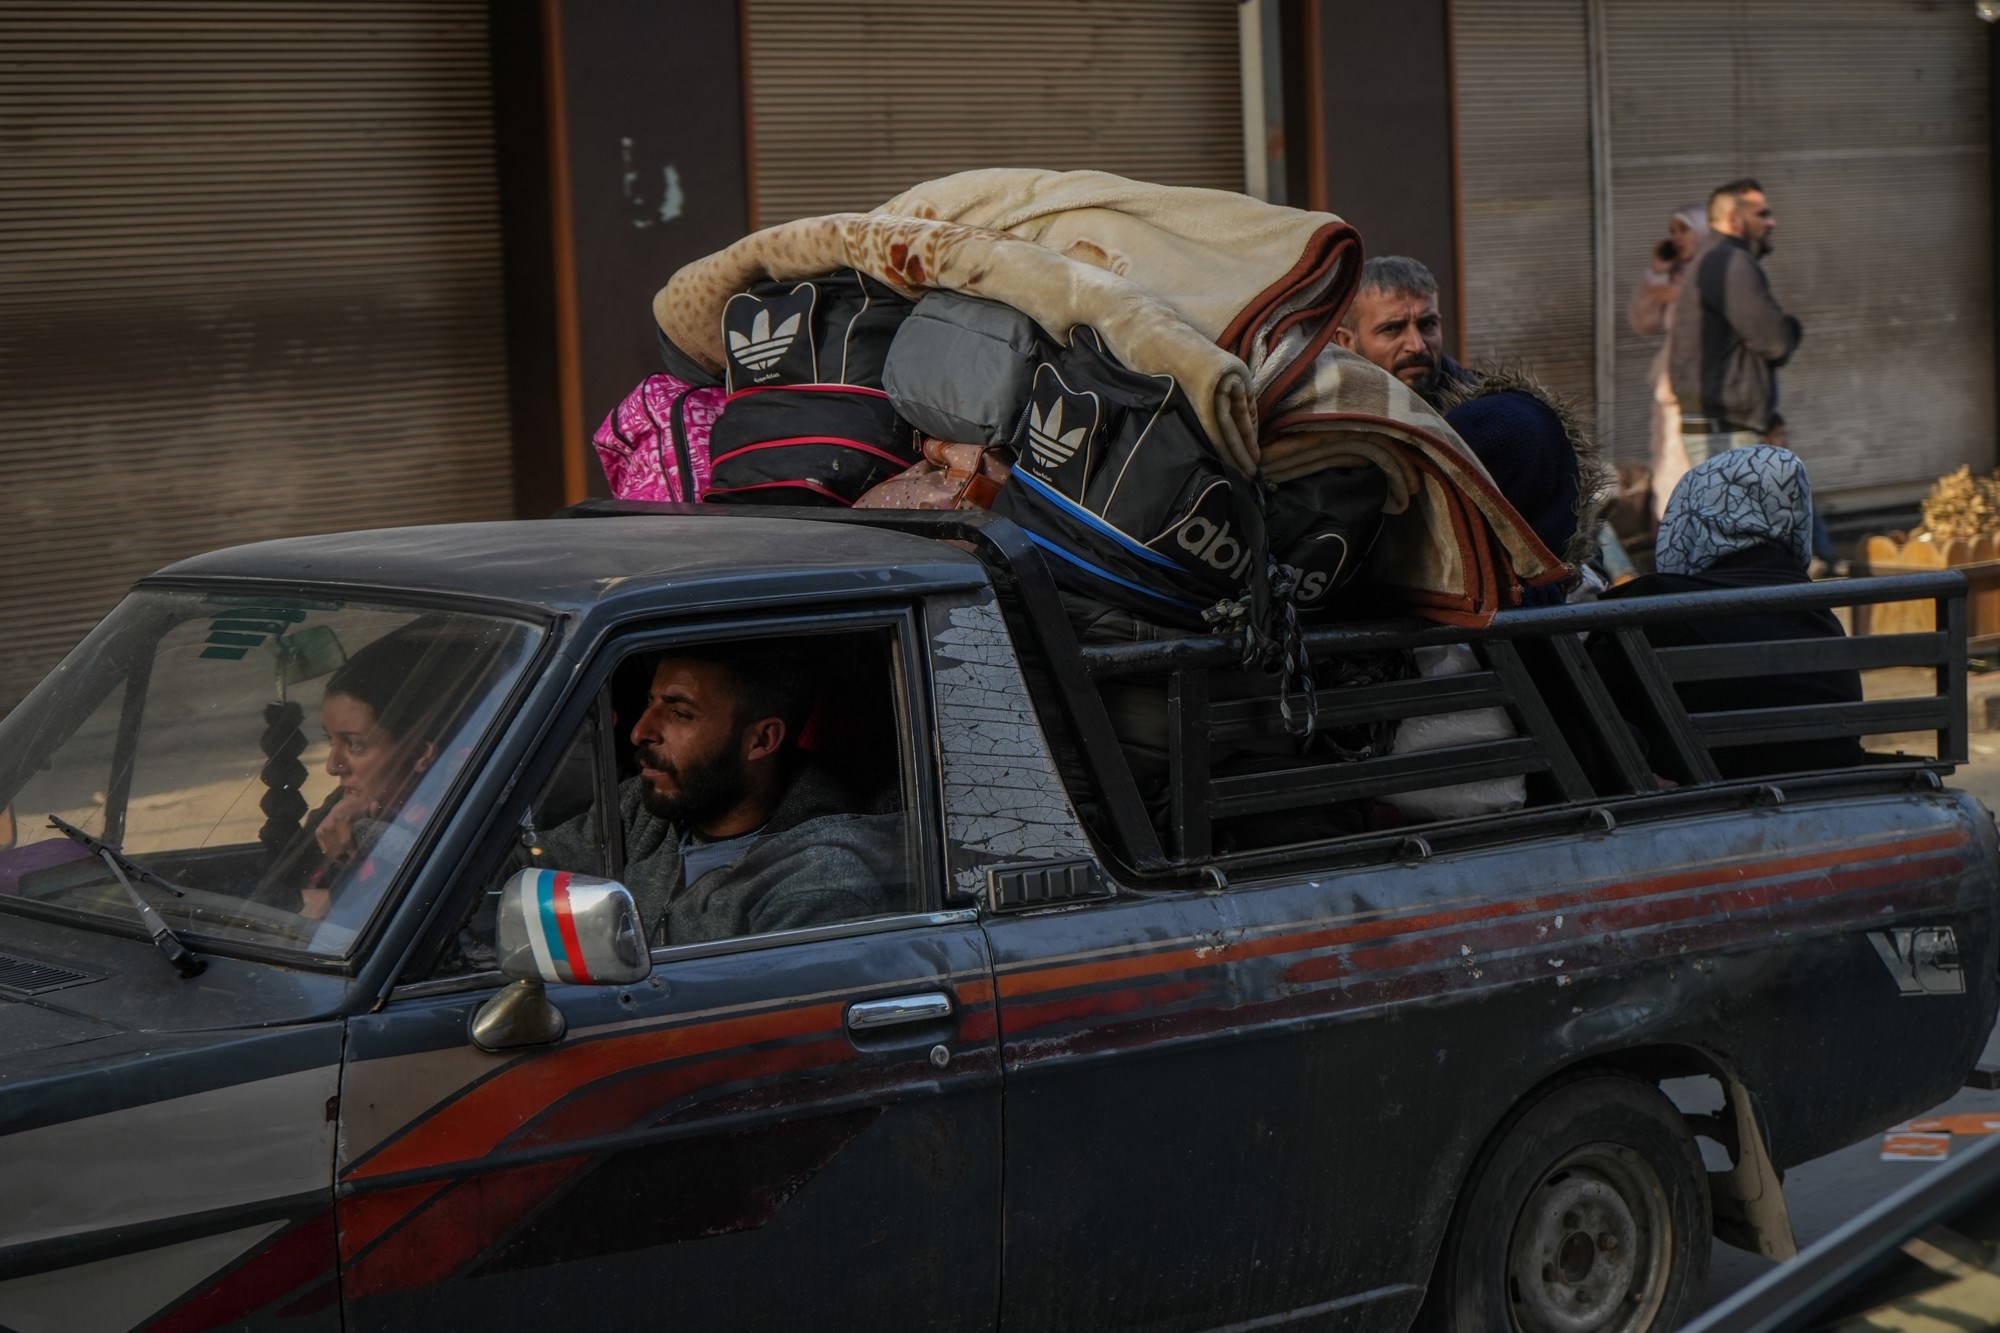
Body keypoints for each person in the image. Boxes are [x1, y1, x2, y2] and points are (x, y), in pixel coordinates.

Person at [539, 643, 900, 945]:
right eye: (651, 703)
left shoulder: (818, 885)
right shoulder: (647, 806)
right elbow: (531, 867)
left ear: (760, 740)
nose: (640, 732)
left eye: (680, 713)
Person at [1591, 447, 1864, 781]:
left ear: (1692, 517)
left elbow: (1588, 706)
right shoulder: (1818, 613)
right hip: (1836, 788)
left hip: (1718, 801)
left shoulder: (1659, 603)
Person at [1668, 179, 1801, 466]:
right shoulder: (1729, 262)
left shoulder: (1717, 258)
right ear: (1734, 220)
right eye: (1762, 214)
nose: (1772, 222)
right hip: (1725, 433)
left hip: (1724, 427)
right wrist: (1791, 327)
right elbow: (1775, 342)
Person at [1628, 204, 1709, 518]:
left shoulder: (1717, 270)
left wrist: (1682, 295)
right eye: (1673, 231)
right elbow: (1642, 321)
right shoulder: (1674, 273)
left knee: (1698, 472)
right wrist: (1657, 273)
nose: (1677, 238)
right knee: (1668, 469)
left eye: (1684, 229)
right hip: (1672, 389)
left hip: (1705, 388)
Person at [1332, 255, 1475, 408]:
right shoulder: (1320, 415)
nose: (1417, 346)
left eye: (1427, 324)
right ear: (1346, 341)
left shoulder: (1482, 410)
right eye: (1392, 329)